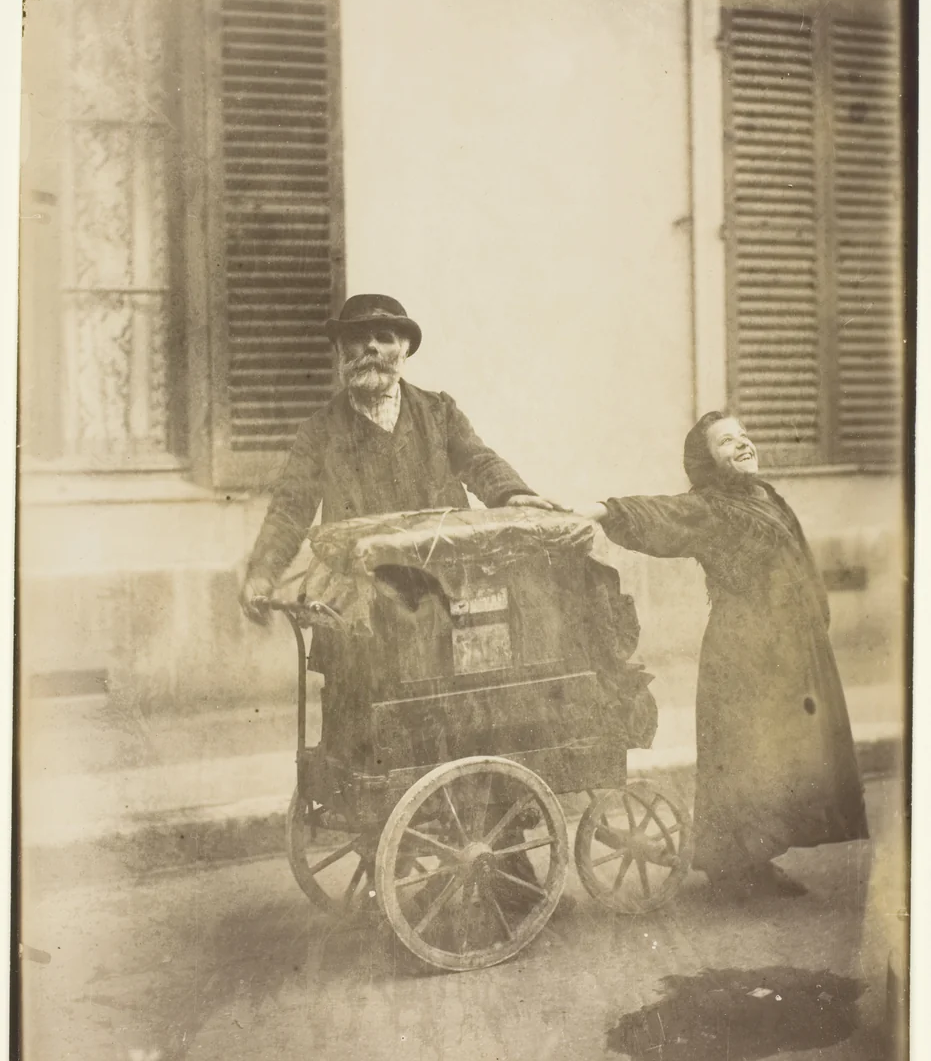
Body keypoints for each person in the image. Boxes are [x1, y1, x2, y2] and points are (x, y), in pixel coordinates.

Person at [576, 411, 869, 900]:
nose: (743, 445)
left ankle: (756, 858)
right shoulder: (713, 508)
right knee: (745, 756)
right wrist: (602, 509)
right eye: (726, 442)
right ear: (706, 462)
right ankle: (735, 868)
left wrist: (815, 618)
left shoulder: (766, 497)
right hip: (744, 652)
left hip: (789, 650)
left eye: (743, 436)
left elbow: (800, 559)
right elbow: (663, 513)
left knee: (782, 754)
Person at [240, 293, 557, 618]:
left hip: (444, 586)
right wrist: (263, 573)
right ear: (339, 350)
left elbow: (479, 461)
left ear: (405, 350)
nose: (372, 347)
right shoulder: (318, 431)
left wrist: (513, 493)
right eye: (358, 338)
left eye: (385, 338)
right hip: (361, 599)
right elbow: (290, 509)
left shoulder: (439, 413)